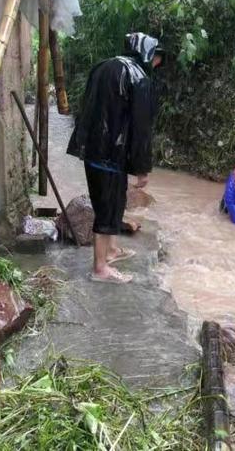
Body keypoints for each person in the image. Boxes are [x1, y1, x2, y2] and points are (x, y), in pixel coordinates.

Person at [67, 32, 164, 283]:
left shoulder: (102, 66)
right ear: (146, 53)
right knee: (108, 209)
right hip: (112, 155)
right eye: (156, 59)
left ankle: (110, 251)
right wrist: (142, 168)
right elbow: (141, 128)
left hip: (92, 150)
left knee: (111, 202)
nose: (157, 65)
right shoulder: (138, 77)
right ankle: (100, 269)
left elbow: (86, 109)